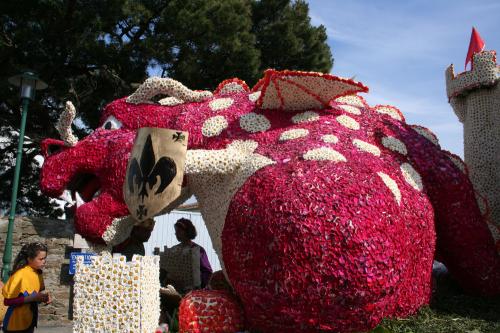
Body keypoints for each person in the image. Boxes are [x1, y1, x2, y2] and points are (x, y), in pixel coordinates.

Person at [2, 242, 52, 333]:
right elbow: (7, 301)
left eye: (45, 258)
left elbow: (37, 293)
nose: (44, 261)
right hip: (15, 324)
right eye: (40, 259)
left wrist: (44, 297)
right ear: (29, 259)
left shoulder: (38, 273)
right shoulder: (19, 275)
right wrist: (30, 298)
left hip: (30, 321)